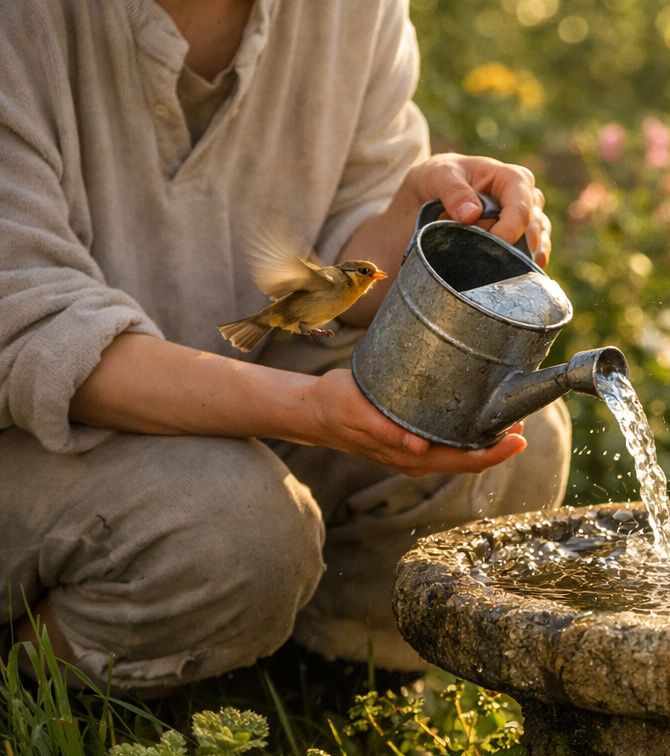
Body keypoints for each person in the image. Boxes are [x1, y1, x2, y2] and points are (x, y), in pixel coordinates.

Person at [0, 0, 572, 693]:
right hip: (28, 431)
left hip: (248, 368)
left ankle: (312, 682)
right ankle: (29, 696)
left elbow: (342, 267)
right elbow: (31, 329)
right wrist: (307, 410)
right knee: (234, 532)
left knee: (505, 426)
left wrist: (413, 215)